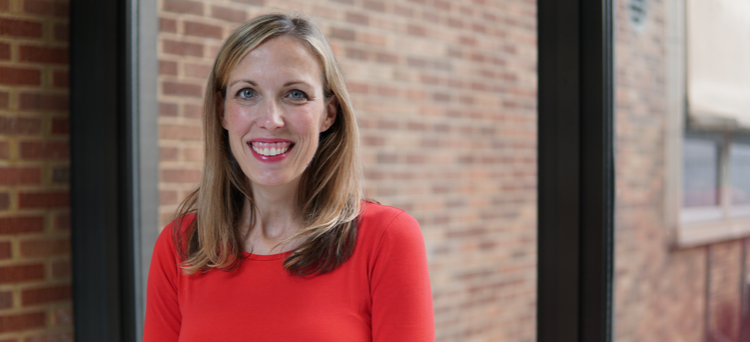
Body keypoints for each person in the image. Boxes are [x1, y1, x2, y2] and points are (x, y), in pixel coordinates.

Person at [143, 13, 435, 341]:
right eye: (247, 93)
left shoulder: (386, 239)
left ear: (328, 113)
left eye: (295, 94)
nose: (271, 119)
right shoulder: (180, 246)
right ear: (222, 111)